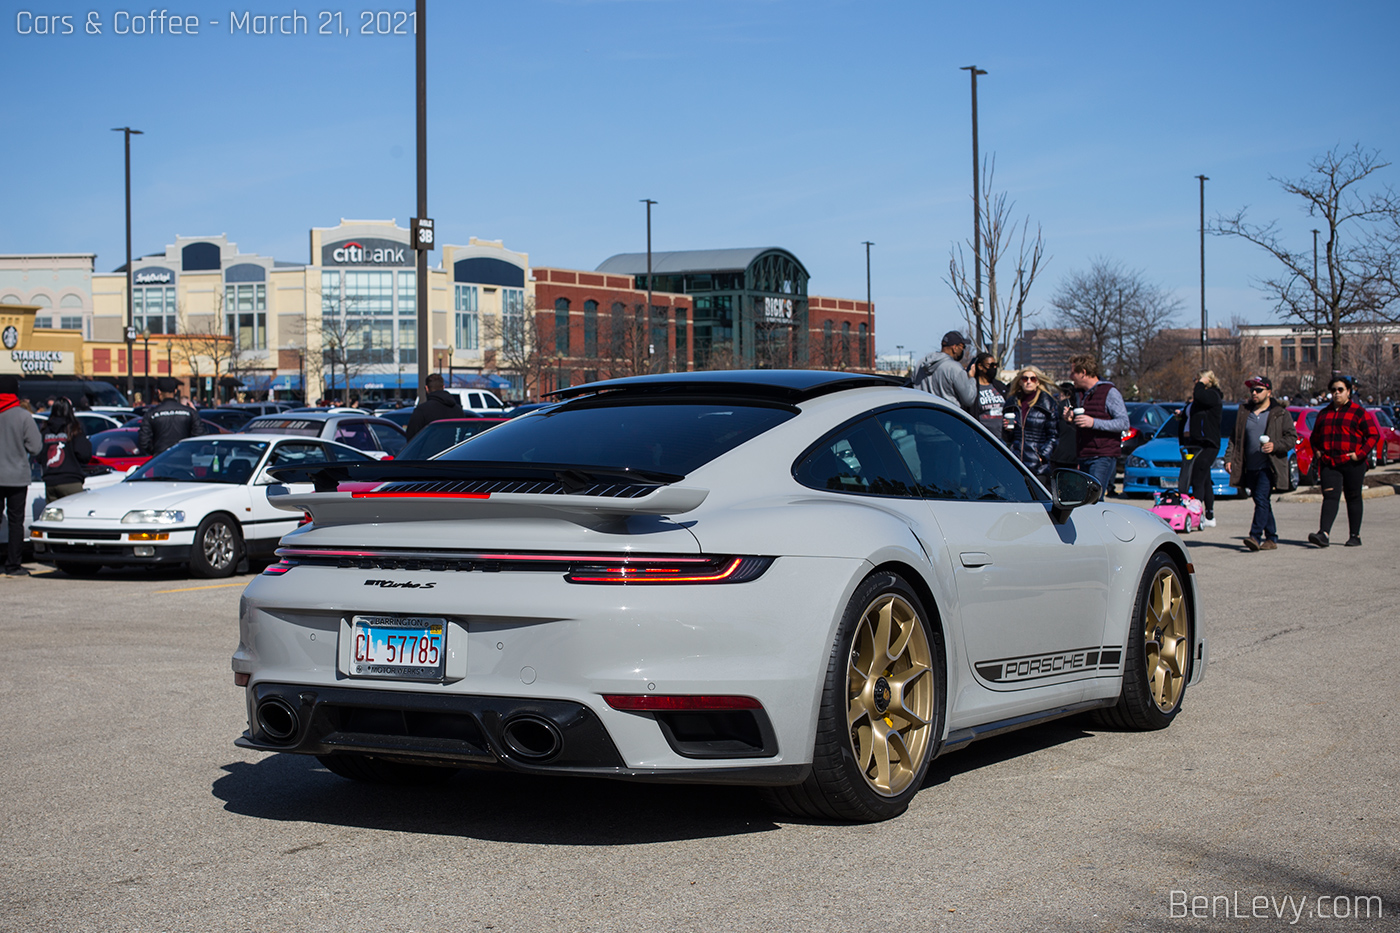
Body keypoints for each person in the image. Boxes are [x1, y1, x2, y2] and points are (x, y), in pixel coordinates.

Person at [1225, 376, 1296, 551]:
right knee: (1261, 501)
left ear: (1269, 392)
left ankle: (1255, 536)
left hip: (1269, 465)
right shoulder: (1244, 413)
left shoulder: (1280, 413)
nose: (1254, 393)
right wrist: (1229, 459)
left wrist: (1275, 446)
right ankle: (1271, 537)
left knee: (1261, 499)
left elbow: (1292, 438)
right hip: (1249, 466)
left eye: (1258, 390)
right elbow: (1234, 439)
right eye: (1252, 390)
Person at [1307, 375, 1378, 548]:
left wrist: (1360, 454)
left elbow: (1373, 435)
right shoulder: (1324, 414)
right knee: (1330, 496)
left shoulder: (1358, 412)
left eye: (1340, 390)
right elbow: (1314, 437)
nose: (1337, 393)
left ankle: (1355, 535)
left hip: (1353, 462)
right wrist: (1317, 452)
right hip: (1329, 462)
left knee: (1353, 497)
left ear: (1348, 392)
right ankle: (1323, 534)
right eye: (1333, 390)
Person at [1065, 354, 1128, 500]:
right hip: (1084, 454)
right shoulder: (1081, 395)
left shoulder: (1109, 392)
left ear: (1084, 372)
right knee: (1083, 499)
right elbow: (1084, 423)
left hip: (1102, 455)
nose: (1071, 376)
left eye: (1073, 372)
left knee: (1093, 498)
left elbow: (1124, 423)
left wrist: (1093, 422)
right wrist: (1070, 419)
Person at [0, 374, 43, 577]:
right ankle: (13, 565)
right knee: (16, 522)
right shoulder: (23, 416)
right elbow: (35, 447)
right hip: (16, 476)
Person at [1177, 370, 1223, 528]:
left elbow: (1200, 396)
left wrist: (1202, 383)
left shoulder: (1212, 395)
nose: (1195, 383)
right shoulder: (1197, 401)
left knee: (1198, 474)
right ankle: (1209, 514)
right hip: (1194, 442)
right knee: (1204, 479)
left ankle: (1197, 513)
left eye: (1198, 380)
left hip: (1209, 442)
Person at [1003, 366, 1059, 479]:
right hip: (1016, 462)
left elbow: (1054, 435)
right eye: (1025, 378)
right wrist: (1007, 430)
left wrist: (1042, 456)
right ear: (1019, 382)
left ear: (1038, 382)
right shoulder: (1012, 402)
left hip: (1038, 467)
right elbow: (1008, 438)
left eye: (1033, 379)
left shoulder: (1047, 403)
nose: (1028, 382)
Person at [40, 397, 94, 503]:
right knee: (73, 515)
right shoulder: (74, 429)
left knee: (54, 517)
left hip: (50, 481)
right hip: (71, 480)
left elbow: (39, 454)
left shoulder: (45, 430)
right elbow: (84, 454)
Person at [910, 330, 978, 413]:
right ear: (955, 348)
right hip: (947, 418)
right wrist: (971, 378)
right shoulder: (954, 368)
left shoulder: (921, 364)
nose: (963, 350)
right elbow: (969, 399)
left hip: (922, 416)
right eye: (962, 347)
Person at [137, 377, 205, 456]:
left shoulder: (151, 414)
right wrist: (189, 450)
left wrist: (156, 451)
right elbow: (199, 435)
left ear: (159, 392)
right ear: (175, 391)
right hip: (184, 460)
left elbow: (144, 440)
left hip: (161, 460)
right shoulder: (189, 412)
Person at [406, 373, 465, 440]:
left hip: (429, 449)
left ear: (427, 388)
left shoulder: (422, 410)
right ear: (443, 387)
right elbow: (461, 436)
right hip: (453, 449)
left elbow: (412, 438)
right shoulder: (458, 410)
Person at [972, 351, 1010, 432]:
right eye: (991, 365)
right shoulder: (972, 387)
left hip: (1001, 436)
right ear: (980, 366)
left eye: (996, 365)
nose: (994, 368)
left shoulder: (999, 386)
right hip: (983, 435)